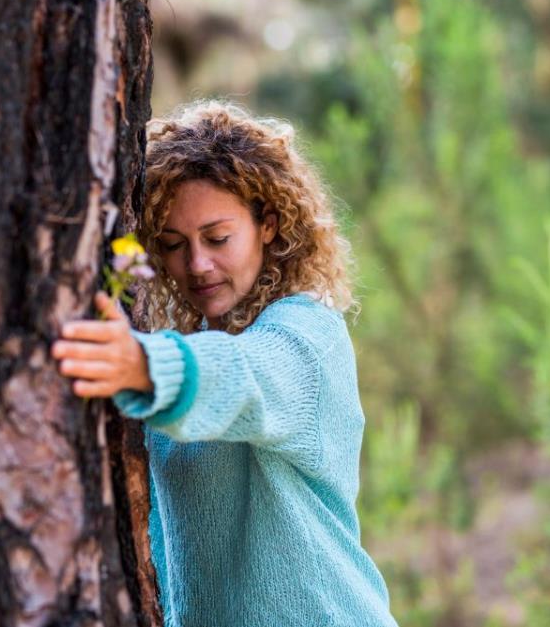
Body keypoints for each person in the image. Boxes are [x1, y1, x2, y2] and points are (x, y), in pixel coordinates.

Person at [51, 100, 398, 627]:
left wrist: (144, 366)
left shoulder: (308, 336)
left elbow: (248, 377)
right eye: (172, 244)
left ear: (269, 224)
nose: (196, 264)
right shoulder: (176, 353)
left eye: (217, 238)